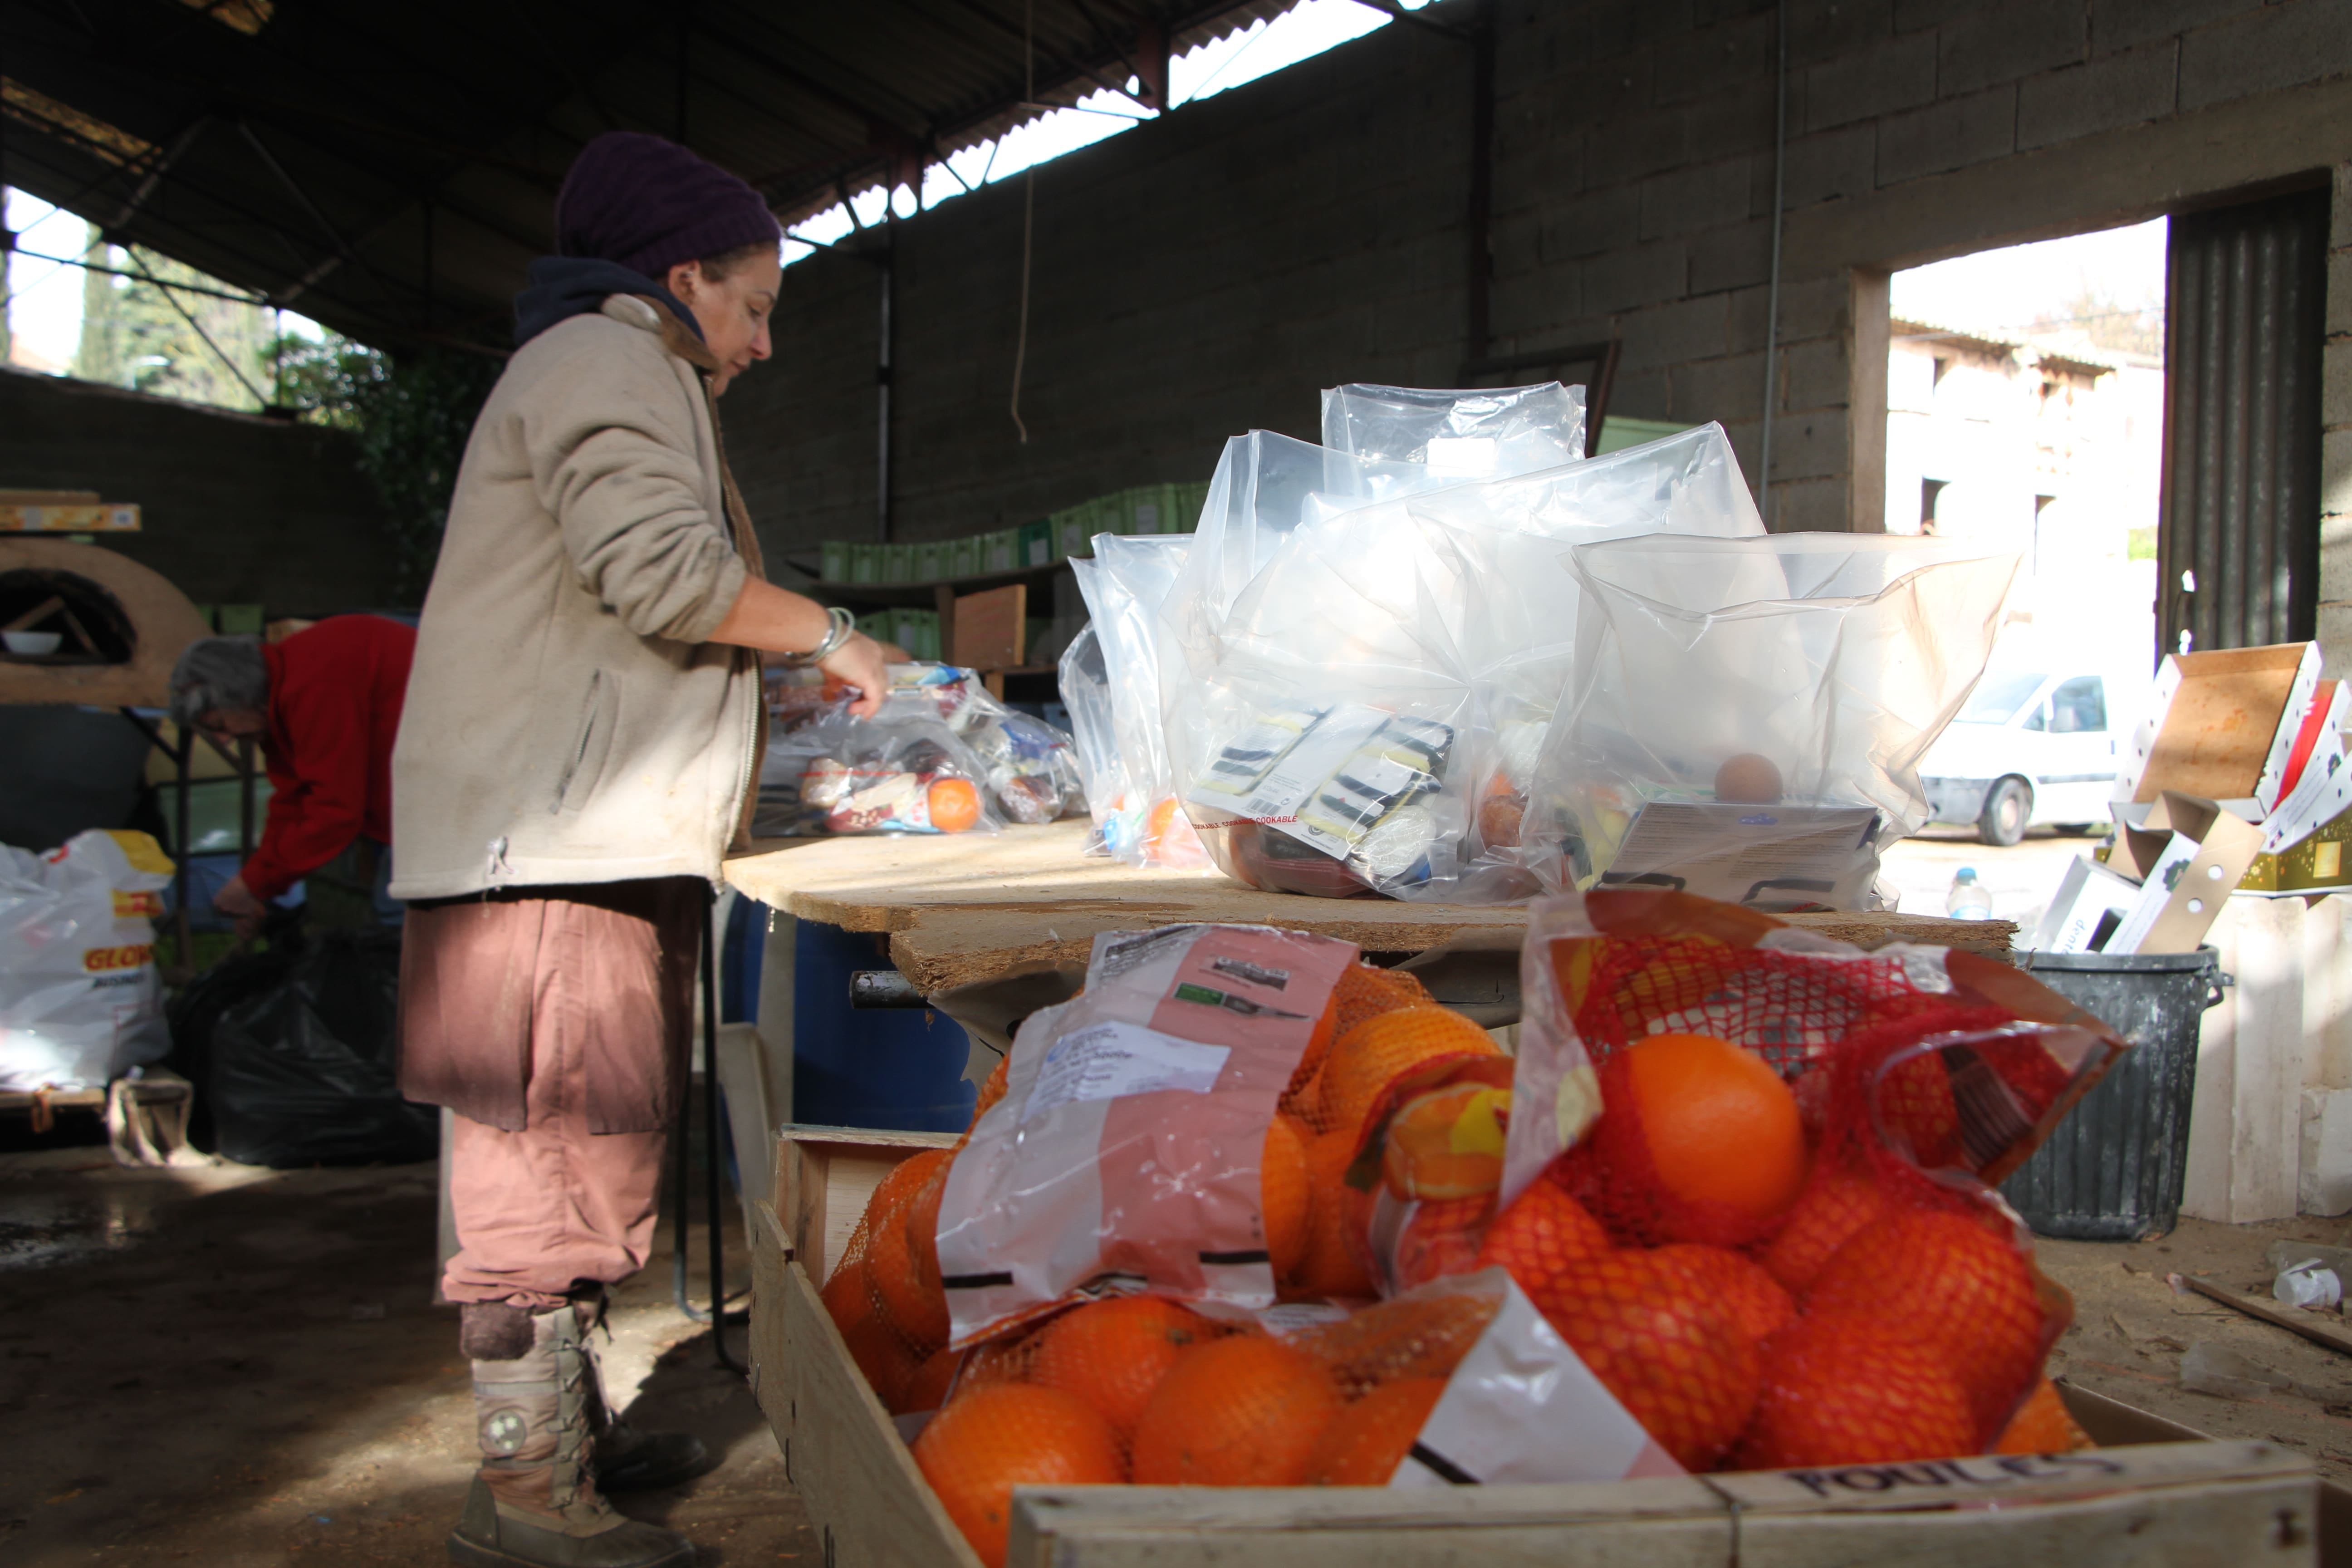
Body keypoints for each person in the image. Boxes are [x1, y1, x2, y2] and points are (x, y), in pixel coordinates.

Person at [390, 132, 887, 1568]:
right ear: (683, 279)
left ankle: (562, 1444)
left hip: (565, 832)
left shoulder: (609, 369)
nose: (765, 339)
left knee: (588, 1142)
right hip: (543, 846)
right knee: (546, 1161)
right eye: (754, 304)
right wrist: (840, 642)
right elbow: (666, 576)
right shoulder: (612, 366)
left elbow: (633, 604)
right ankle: (530, 1492)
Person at [167, 616, 416, 937]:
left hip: (452, 798)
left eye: (219, 725)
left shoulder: (313, 683)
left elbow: (335, 810)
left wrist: (256, 882)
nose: (224, 739)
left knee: (400, 914)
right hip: (420, 806)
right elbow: (293, 798)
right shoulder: (281, 696)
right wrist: (256, 884)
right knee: (396, 910)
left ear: (238, 694)